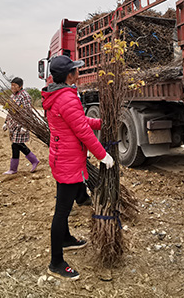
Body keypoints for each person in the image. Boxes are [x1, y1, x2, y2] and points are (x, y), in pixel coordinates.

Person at [41, 55, 114, 280]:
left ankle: (66, 239)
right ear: (69, 75)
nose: (78, 73)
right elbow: (82, 131)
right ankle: (56, 262)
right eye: (75, 70)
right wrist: (103, 156)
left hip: (61, 157)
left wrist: (100, 122)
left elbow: (78, 121)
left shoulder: (57, 94)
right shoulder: (66, 97)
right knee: (62, 211)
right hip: (68, 161)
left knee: (63, 205)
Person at [3, 77, 40, 174]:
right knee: (16, 145)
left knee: (17, 144)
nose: (12, 87)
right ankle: (14, 168)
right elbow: (10, 111)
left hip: (21, 124)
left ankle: (32, 161)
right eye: (12, 85)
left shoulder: (25, 96)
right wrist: (6, 122)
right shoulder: (12, 96)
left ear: (20, 86)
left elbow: (28, 111)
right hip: (12, 124)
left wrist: (26, 125)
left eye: (15, 85)